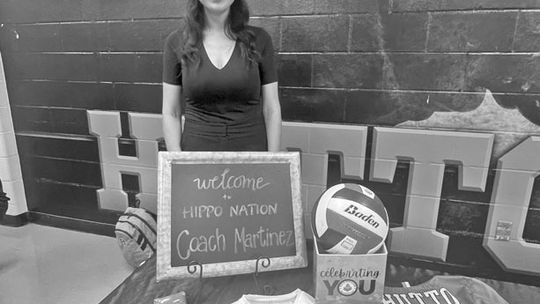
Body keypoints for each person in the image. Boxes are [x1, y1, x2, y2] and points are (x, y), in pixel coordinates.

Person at [162, 0, 282, 152]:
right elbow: (171, 111)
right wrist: (176, 161)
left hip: (252, 155)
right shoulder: (176, 42)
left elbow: (272, 109)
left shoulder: (260, 39)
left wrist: (272, 163)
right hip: (195, 158)